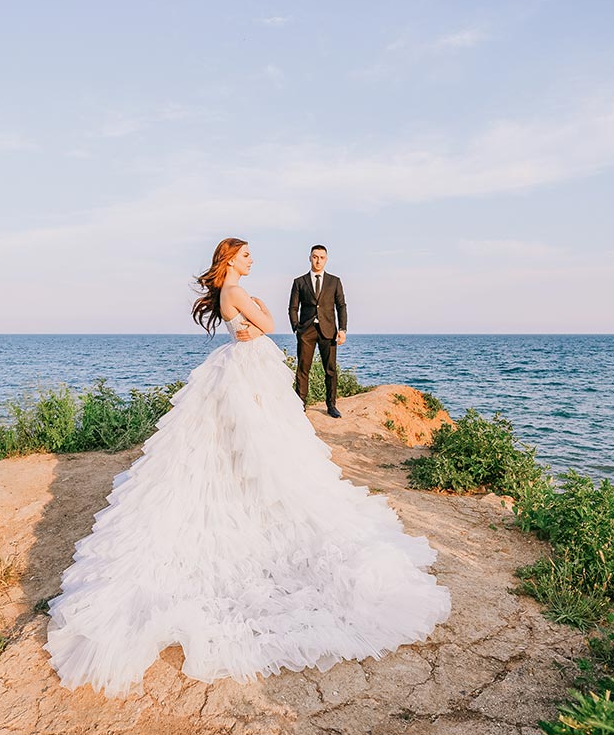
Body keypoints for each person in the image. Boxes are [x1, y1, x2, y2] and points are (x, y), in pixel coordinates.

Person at [44, 238, 450, 696]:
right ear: (230, 259)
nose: (253, 260)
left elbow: (257, 327)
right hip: (246, 367)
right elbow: (272, 324)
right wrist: (258, 314)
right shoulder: (235, 291)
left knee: (237, 439)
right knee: (254, 439)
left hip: (240, 364)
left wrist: (254, 322)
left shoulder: (230, 292)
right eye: (246, 255)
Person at [288, 244, 347, 417]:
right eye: (315, 257)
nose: (318, 260)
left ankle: (331, 405)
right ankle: (301, 405)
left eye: (321, 257)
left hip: (328, 331)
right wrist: (296, 327)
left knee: (330, 370)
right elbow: (292, 307)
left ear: (326, 259)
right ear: (310, 258)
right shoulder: (299, 282)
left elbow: (341, 306)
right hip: (306, 331)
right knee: (303, 369)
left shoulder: (334, 281)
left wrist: (342, 329)